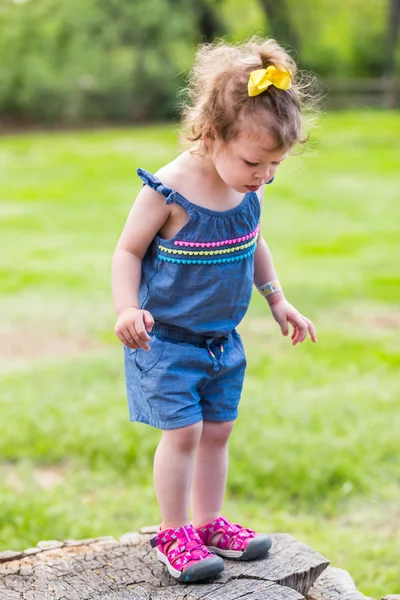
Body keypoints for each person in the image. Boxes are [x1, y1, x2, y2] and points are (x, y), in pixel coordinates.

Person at [112, 37, 317, 583]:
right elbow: (127, 250)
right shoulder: (169, 189)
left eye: (274, 165)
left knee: (218, 431)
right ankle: (172, 530)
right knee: (182, 434)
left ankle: (209, 523)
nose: (264, 176)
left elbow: (254, 242)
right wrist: (127, 307)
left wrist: (278, 300)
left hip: (223, 343)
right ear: (212, 134)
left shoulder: (250, 186)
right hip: (168, 340)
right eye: (255, 162)